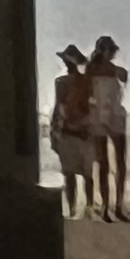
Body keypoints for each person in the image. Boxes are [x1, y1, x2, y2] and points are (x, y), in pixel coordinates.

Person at [83, 34, 130, 221]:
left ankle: (117, 204)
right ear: (102, 51)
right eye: (110, 51)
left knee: (120, 162)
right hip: (99, 115)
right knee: (104, 162)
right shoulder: (91, 70)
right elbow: (86, 92)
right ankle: (105, 205)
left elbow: (124, 77)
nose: (112, 55)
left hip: (113, 114)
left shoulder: (110, 69)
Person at [50, 46, 98, 220]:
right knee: (87, 174)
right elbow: (94, 107)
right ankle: (89, 207)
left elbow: (58, 109)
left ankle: (72, 209)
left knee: (69, 174)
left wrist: (53, 131)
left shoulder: (61, 82)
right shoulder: (88, 82)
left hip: (68, 131)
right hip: (85, 131)